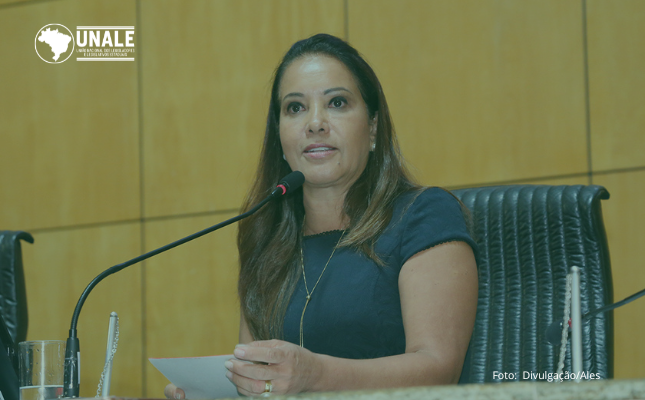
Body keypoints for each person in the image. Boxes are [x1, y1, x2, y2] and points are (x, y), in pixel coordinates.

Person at [166, 33, 478, 398]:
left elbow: (439, 368)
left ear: (372, 126)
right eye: (295, 108)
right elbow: (261, 383)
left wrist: (315, 374)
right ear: (280, 137)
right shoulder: (265, 238)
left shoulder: (424, 214)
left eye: (337, 103)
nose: (315, 123)